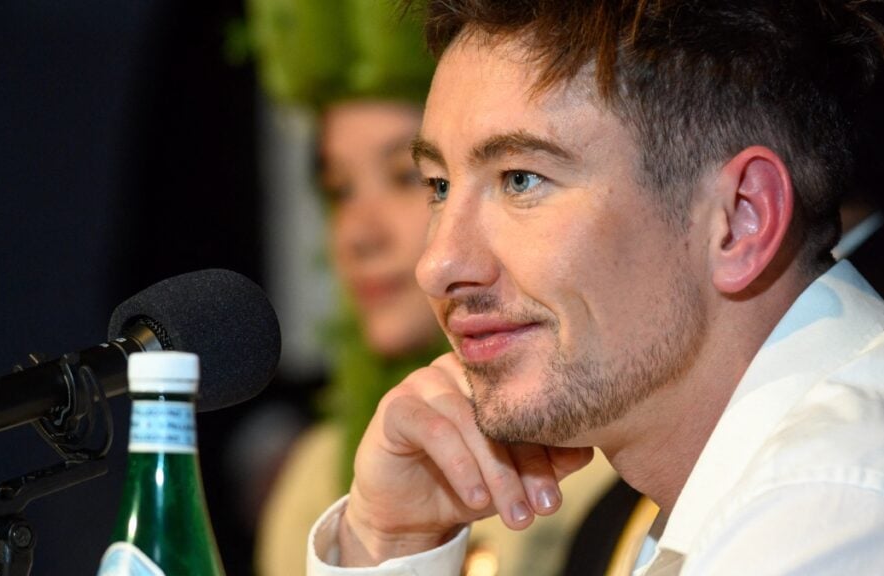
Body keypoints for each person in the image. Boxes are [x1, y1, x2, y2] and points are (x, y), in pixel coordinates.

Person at [304, 1, 884, 574]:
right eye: (437, 186)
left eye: (521, 180)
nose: (437, 263)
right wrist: (388, 543)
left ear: (740, 220)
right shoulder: (766, 479)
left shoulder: (849, 502)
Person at [252, 4, 620, 575]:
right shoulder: (315, 481)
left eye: (410, 180)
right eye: (340, 189)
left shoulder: (605, 449)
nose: (358, 234)